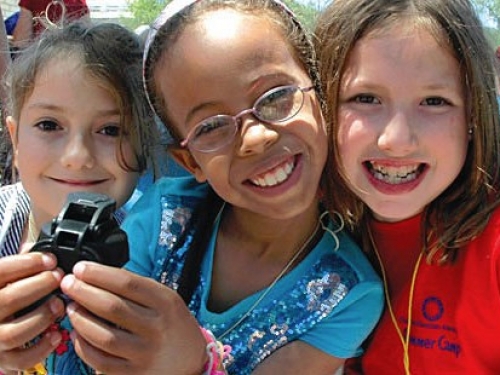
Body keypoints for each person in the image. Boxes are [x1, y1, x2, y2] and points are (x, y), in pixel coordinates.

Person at [0, 1, 383, 374]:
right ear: (189, 162)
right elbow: (73, 360)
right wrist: (31, 328)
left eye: (277, 96)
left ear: (322, 97)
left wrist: (195, 365)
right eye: (212, 126)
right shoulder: (164, 215)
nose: (255, 137)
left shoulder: (348, 292)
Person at [315, 0, 500, 373]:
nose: (396, 139)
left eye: (435, 101)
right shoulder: (298, 227)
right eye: (365, 99)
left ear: (473, 116)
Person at [0, 21, 155, 374]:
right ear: (16, 140)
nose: (77, 156)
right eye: (49, 125)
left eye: (110, 130)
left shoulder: (163, 252)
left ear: (144, 148)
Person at [12, 0, 89, 48]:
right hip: (70, 61)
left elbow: (21, 41)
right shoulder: (80, 2)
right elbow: (86, 41)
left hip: (38, 61)